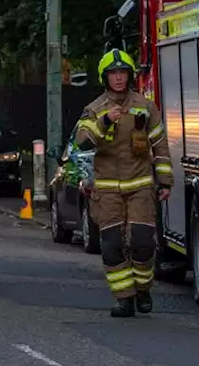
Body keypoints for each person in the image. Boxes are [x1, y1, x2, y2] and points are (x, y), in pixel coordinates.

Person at [72, 49, 173, 317]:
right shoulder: (94, 109)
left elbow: (159, 144)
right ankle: (124, 298)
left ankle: (142, 289)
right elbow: (81, 141)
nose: (118, 78)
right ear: (105, 78)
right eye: (113, 73)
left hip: (139, 184)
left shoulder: (146, 106)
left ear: (130, 75)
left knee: (143, 242)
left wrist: (164, 181)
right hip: (107, 189)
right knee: (112, 246)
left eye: (123, 72)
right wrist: (105, 121)